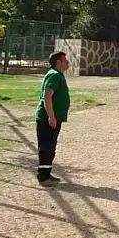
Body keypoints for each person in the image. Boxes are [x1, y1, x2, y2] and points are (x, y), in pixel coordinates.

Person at [34, 51, 71, 186]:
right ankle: (43, 177)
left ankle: (47, 173)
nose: (68, 63)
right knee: (46, 146)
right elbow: (47, 95)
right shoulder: (54, 75)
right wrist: (51, 116)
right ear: (58, 62)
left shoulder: (57, 75)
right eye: (65, 60)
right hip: (47, 118)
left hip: (54, 117)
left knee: (51, 146)